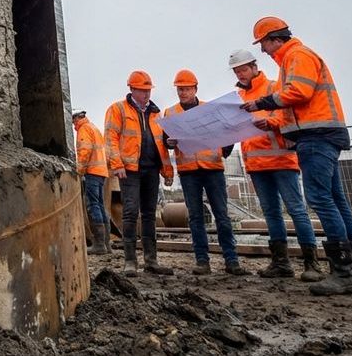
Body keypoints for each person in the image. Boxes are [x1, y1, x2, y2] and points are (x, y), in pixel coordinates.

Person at [240, 17, 352, 295]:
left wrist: (261, 103)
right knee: (335, 199)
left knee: (320, 198)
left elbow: (299, 92)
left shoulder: (297, 56)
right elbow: (293, 102)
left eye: (264, 45)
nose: (265, 52)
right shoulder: (293, 59)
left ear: (275, 39)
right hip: (319, 134)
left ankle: (344, 272)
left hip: (317, 136)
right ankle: (351, 268)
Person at [229, 49, 324, 282]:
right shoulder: (237, 98)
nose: (240, 74)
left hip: (281, 159)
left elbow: (288, 116)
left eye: (243, 69)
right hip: (256, 164)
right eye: (236, 71)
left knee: (296, 210)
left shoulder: (273, 88)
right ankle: (281, 262)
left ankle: (312, 262)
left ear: (254, 66)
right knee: (271, 213)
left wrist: (269, 122)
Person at [163, 69, 249, 276]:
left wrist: (224, 150)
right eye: (180, 89)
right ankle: (202, 260)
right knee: (195, 217)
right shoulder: (170, 113)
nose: (183, 93)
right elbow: (165, 141)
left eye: (186, 89)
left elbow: (227, 135)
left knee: (221, 215)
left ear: (195, 89)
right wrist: (169, 142)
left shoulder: (209, 110)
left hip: (213, 170)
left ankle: (231, 260)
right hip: (188, 171)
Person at [105, 71, 174, 277]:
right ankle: (130, 261)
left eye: (148, 91)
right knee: (130, 213)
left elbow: (161, 144)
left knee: (149, 215)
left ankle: (151, 260)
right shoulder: (118, 109)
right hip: (130, 170)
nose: (146, 94)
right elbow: (110, 137)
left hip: (151, 169)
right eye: (142, 91)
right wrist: (116, 164)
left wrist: (167, 171)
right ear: (132, 89)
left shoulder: (155, 113)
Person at [74, 110, 110, 256]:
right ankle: (106, 244)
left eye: (73, 120)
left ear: (77, 118)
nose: (73, 124)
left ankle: (99, 244)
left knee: (93, 205)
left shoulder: (84, 129)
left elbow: (85, 151)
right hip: (101, 172)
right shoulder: (93, 127)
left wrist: (79, 171)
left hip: (92, 172)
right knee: (100, 206)